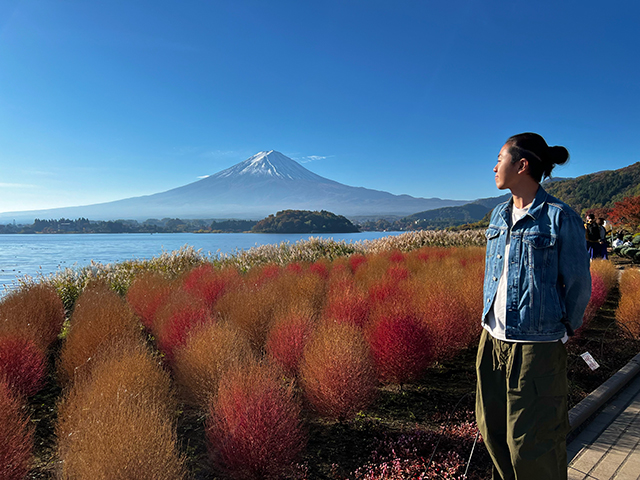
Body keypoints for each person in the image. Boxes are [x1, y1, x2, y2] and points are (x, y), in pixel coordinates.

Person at [476, 133, 592, 480]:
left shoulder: (559, 217)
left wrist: (562, 331)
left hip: (536, 347)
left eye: (500, 158)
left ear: (522, 165)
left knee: (533, 443)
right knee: (492, 432)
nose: (494, 166)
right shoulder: (498, 215)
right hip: (492, 341)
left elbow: (578, 285)